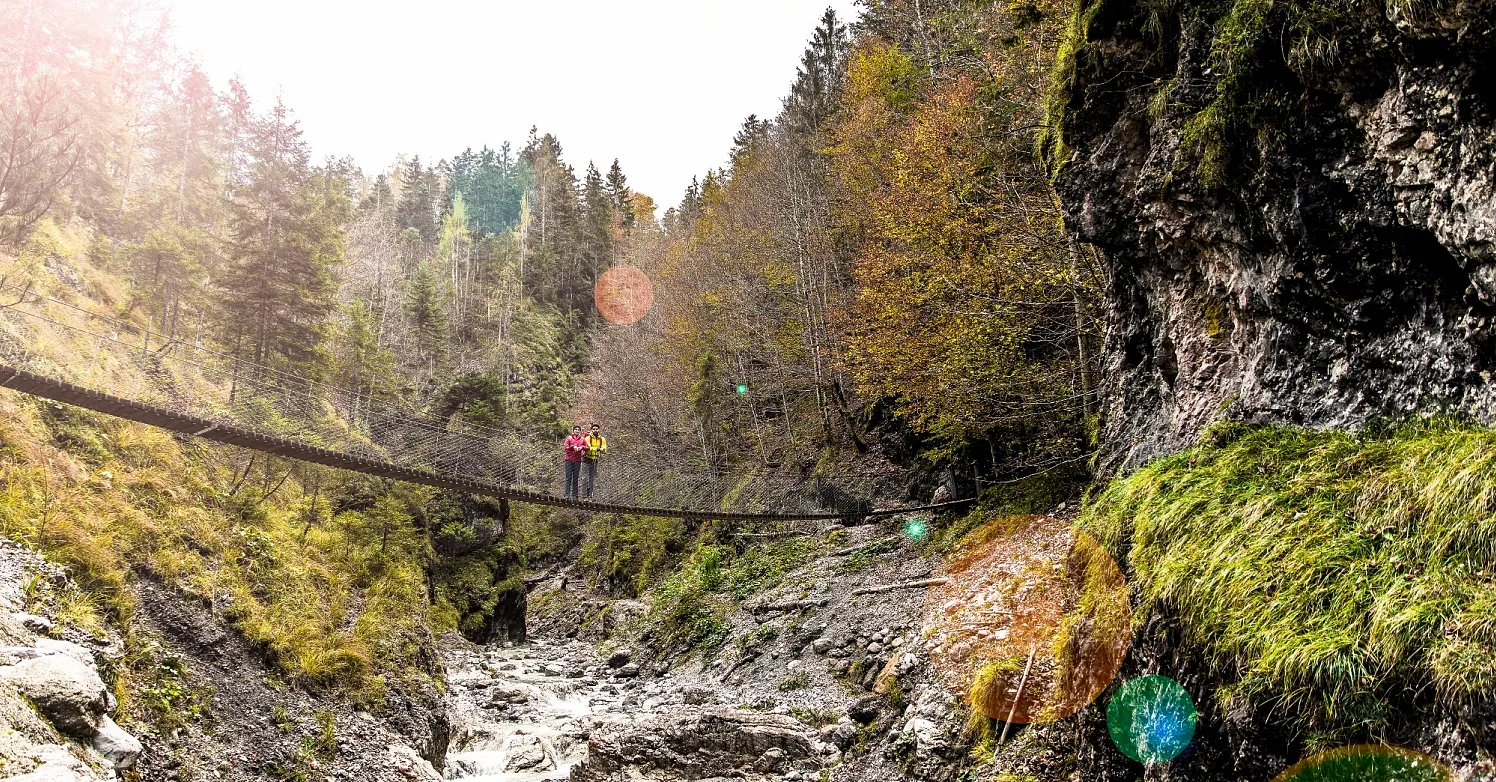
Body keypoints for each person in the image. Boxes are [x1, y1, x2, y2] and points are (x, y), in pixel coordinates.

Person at [583, 423, 608, 499]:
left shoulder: (602, 439)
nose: (595, 430)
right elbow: (587, 447)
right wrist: (597, 449)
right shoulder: (587, 438)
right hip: (586, 459)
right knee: (585, 478)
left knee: (592, 478)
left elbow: (604, 450)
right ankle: (584, 495)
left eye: (596, 429)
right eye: (593, 429)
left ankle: (590, 496)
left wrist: (602, 449)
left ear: (599, 430)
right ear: (591, 430)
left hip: (595, 460)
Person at [562, 425, 587, 499]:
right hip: (569, 460)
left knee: (576, 478)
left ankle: (575, 495)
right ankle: (567, 494)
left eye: (578, 429)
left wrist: (581, 447)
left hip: (577, 460)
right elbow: (565, 448)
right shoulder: (569, 438)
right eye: (575, 429)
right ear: (573, 431)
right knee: (568, 477)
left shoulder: (582, 439)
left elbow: (587, 447)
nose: (577, 430)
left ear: (580, 431)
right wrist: (572, 447)